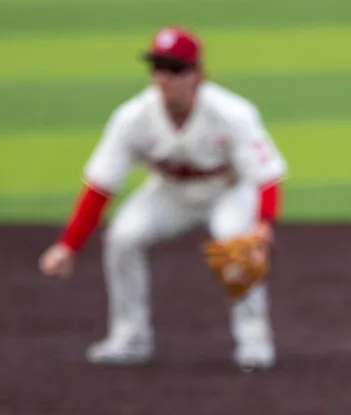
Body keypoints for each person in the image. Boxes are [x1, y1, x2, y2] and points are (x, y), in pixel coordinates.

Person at [39, 26, 287, 369]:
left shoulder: (233, 113)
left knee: (238, 247)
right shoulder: (132, 118)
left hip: (227, 192)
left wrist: (264, 224)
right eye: (158, 67)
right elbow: (100, 185)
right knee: (123, 237)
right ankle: (130, 338)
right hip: (168, 191)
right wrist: (69, 245)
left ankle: (254, 341)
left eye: (175, 68)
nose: (165, 77)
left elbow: (267, 176)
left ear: (198, 74)